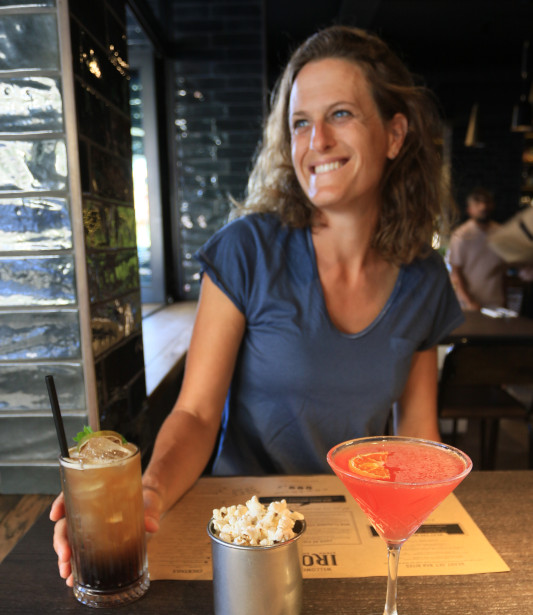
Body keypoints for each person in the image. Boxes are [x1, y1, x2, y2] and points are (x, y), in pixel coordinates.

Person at [52, 25, 463, 586]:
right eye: (299, 122)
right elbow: (196, 415)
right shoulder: (247, 251)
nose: (315, 139)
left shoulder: (425, 278)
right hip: (242, 524)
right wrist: (146, 493)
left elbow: (416, 434)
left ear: (394, 134)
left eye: (340, 114)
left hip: (355, 527)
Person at [447, 187, 507, 310]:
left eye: (486, 202)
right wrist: (470, 302)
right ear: (469, 209)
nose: (482, 207)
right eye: (477, 203)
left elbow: (503, 271)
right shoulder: (461, 235)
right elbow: (456, 273)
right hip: (468, 305)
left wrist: (505, 300)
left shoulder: (502, 233)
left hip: (495, 303)